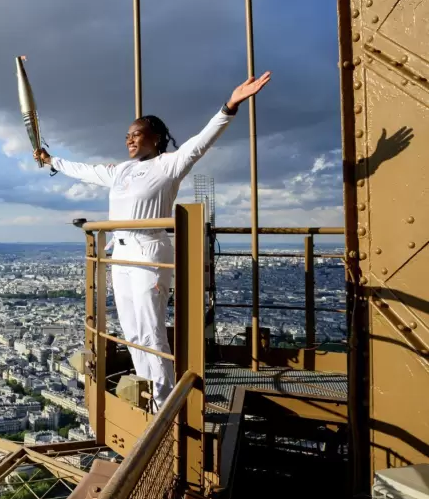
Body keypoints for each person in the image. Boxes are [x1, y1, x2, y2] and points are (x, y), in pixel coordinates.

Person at [34, 72, 271, 410]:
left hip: (149, 251)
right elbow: (84, 169)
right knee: (133, 332)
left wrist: (230, 105)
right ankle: (150, 394)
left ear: (156, 137)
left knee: (150, 330)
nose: (129, 140)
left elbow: (201, 142)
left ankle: (165, 402)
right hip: (122, 254)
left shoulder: (169, 165)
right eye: (128, 135)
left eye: (137, 134)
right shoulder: (120, 171)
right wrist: (50, 161)